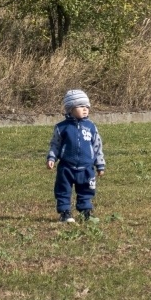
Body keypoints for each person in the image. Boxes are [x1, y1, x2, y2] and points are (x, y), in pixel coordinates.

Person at [46, 89, 106, 223]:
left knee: (86, 190)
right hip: (66, 167)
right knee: (63, 190)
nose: (85, 109)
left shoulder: (91, 127)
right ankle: (65, 213)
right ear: (70, 109)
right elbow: (55, 144)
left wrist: (100, 164)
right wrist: (51, 158)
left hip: (86, 167)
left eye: (87, 107)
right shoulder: (61, 127)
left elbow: (97, 146)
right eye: (81, 106)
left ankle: (86, 211)